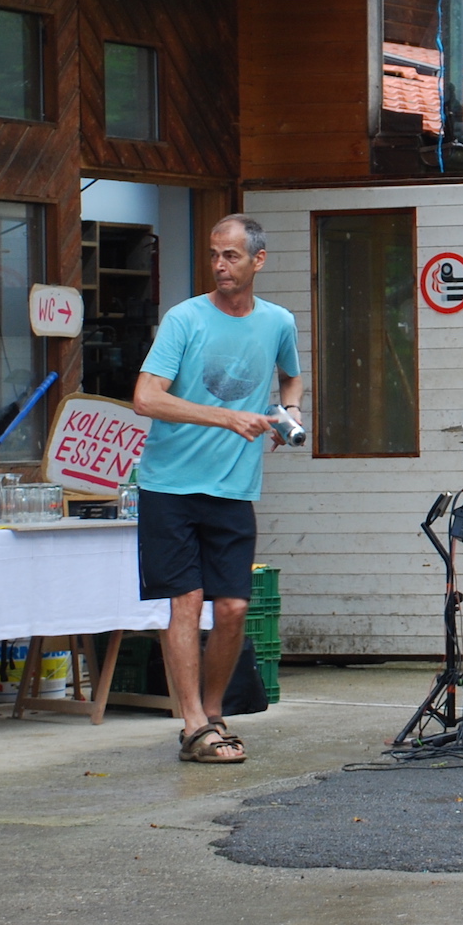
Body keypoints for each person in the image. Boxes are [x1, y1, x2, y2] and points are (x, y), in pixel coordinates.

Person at [132, 214, 302, 765]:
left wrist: (289, 411)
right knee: (186, 602)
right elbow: (145, 398)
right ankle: (192, 725)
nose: (220, 265)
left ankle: (213, 714)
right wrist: (226, 418)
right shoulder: (184, 319)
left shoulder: (277, 322)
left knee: (231, 608)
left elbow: (290, 376)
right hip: (170, 485)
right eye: (213, 255)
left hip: (233, 489)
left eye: (231, 256)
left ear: (258, 260)